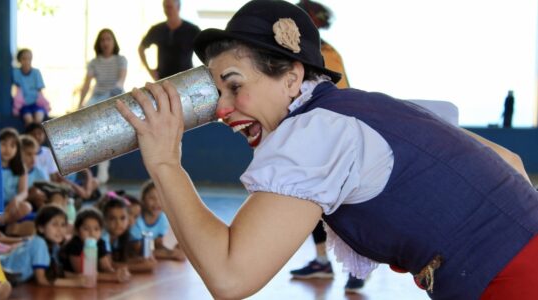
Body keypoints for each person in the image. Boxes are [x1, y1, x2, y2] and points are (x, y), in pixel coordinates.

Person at [116, 0, 538, 299]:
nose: (222, 109)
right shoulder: (368, 106)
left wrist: (165, 161)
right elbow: (510, 162)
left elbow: (230, 277)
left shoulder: (315, 135)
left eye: (235, 85)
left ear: (291, 78)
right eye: (216, 92)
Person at [289, 0, 362, 291]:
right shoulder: (294, 53)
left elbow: (339, 97)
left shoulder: (326, 53)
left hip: (334, 138)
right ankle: (321, 261)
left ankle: (358, 265)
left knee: (345, 207)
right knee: (313, 202)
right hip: (308, 137)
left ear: (312, 22)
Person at [0, 205, 95, 287]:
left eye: (63, 225)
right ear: (41, 228)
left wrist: (76, 276)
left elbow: (56, 272)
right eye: (54, 225)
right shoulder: (39, 243)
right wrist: (74, 282)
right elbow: (42, 279)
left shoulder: (54, 246)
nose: (60, 230)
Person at [78, 28, 127, 184]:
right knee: (86, 126)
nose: (105, 42)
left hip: (113, 97)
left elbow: (121, 80)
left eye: (108, 39)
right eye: (102, 40)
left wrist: (115, 90)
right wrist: (80, 104)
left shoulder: (121, 60)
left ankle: (102, 171)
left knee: (105, 135)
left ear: (114, 42)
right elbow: (86, 84)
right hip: (97, 98)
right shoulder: (94, 63)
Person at [60, 208, 131, 283]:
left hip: (91, 282)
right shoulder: (74, 244)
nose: (92, 233)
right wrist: (112, 277)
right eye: (86, 229)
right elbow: (82, 273)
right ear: (77, 231)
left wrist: (119, 273)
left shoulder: (100, 243)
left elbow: (106, 268)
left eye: (96, 229)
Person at [137, 0, 200, 81]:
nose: (167, 10)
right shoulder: (157, 29)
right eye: (165, 7)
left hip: (186, 80)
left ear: (178, 7)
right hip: (163, 79)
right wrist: (150, 71)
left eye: (170, 7)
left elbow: (206, 49)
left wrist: (200, 71)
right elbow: (141, 48)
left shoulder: (192, 30)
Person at [130, 180, 185, 261]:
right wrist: (171, 254)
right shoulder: (136, 219)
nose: (157, 202)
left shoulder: (162, 219)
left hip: (140, 251)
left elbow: (158, 245)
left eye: (161, 198)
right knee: (149, 265)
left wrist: (175, 250)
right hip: (128, 251)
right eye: (152, 198)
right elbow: (139, 251)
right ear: (143, 200)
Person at [100, 196, 156, 273]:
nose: (118, 223)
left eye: (122, 218)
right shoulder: (103, 237)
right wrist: (142, 267)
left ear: (127, 219)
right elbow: (109, 265)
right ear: (104, 220)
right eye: (112, 218)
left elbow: (121, 260)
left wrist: (141, 260)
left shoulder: (123, 235)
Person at [12, 48, 50, 126]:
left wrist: (45, 105)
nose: (27, 61)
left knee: (38, 120)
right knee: (28, 121)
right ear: (19, 60)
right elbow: (16, 91)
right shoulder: (16, 73)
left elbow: (40, 92)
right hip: (24, 105)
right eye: (24, 58)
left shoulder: (36, 72)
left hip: (37, 104)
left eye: (29, 58)